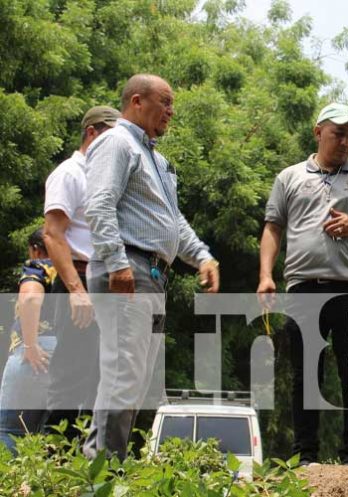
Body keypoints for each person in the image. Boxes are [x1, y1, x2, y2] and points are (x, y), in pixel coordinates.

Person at [83, 74, 220, 461]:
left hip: (152, 275)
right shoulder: (117, 142)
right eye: (165, 102)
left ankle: (104, 465)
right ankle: (102, 473)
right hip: (128, 269)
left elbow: (173, 221)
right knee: (123, 373)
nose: (171, 111)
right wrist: (116, 263)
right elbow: (99, 204)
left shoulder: (156, 159)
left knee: (135, 378)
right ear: (137, 101)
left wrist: (203, 256)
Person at [258, 102, 348, 464]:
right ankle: (305, 455)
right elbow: (273, 227)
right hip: (303, 288)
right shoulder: (289, 177)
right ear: (318, 131)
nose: (346, 141)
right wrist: (265, 276)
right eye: (339, 133)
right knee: (306, 373)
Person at [41, 105, 121, 440]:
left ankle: (88, 471)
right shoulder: (70, 173)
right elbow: (52, 234)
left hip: (108, 282)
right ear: (92, 132)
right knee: (71, 376)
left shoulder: (108, 178)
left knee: (101, 381)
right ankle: (51, 468)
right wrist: (76, 290)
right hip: (79, 279)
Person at [0, 228, 56, 453]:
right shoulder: (76, 274)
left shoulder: (39, 266)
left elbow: (31, 297)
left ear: (35, 249)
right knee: (54, 436)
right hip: (68, 361)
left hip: (35, 353)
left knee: (11, 431)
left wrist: (30, 345)